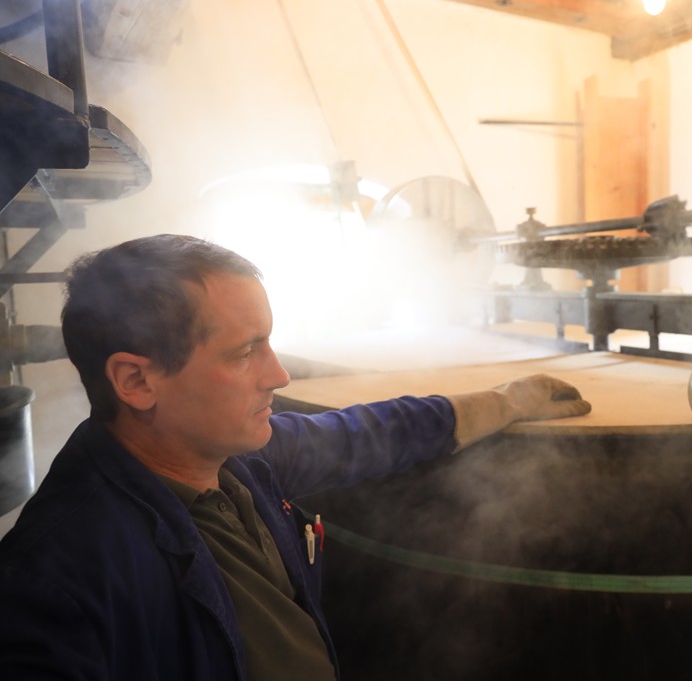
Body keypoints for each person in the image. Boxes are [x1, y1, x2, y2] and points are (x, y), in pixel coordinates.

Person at [0, 234, 590, 680]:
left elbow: (364, 434)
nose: (278, 374)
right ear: (135, 381)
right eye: (245, 353)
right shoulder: (55, 581)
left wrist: (505, 401)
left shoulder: (238, 464)